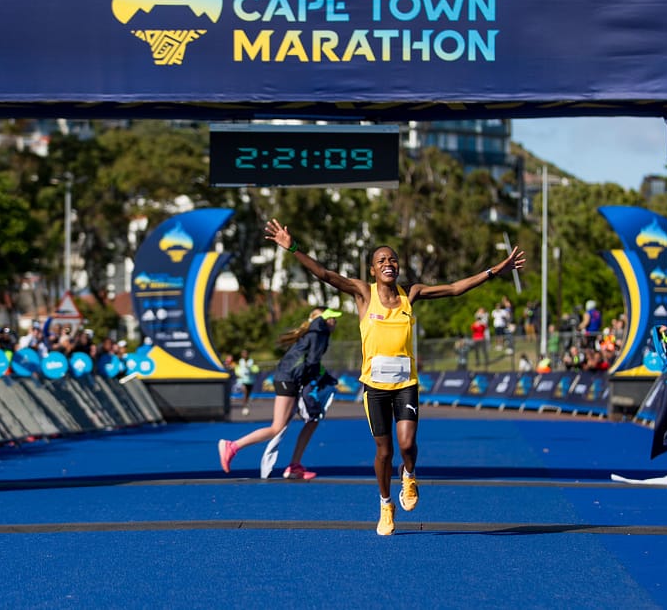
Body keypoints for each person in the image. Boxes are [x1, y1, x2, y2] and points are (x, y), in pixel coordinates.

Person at [263, 218, 525, 536]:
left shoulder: (410, 294)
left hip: (406, 384)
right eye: (381, 260)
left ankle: (409, 475)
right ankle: (386, 504)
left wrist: (496, 270)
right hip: (375, 387)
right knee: (384, 452)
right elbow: (326, 274)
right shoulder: (363, 293)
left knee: (408, 444)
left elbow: (456, 288)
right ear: (373, 270)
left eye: (393, 259)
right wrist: (293, 248)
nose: (388, 263)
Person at [217, 307, 341, 480]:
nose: (335, 322)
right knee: (277, 427)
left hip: (289, 379)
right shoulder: (319, 333)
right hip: (289, 380)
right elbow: (312, 362)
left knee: (311, 421)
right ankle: (232, 446)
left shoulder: (313, 332)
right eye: (333, 319)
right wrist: (314, 382)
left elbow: (309, 362)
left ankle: (294, 466)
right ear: (326, 320)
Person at [234, 348, 259, 416]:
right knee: (245, 393)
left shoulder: (252, 361)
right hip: (243, 380)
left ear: (248, 354)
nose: (244, 355)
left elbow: (256, 369)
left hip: (250, 380)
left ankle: (246, 405)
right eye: (243, 353)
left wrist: (251, 370)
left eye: (245, 353)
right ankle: (244, 407)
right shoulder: (240, 361)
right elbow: (237, 369)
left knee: (248, 394)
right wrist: (238, 374)